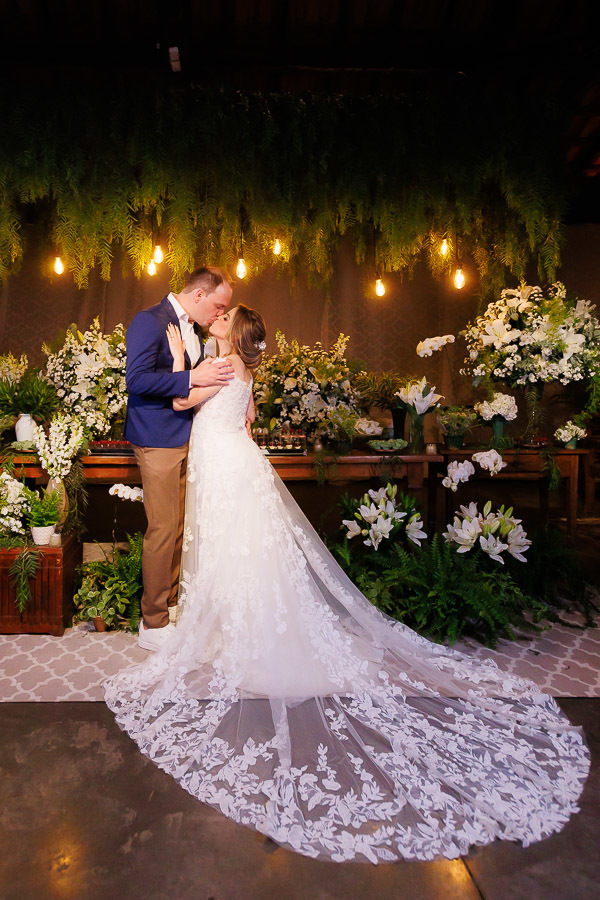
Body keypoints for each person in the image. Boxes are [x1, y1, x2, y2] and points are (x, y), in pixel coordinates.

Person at [106, 304, 589, 864]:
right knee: (249, 550)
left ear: (231, 332)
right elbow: (248, 421)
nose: (214, 316)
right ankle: (244, 621)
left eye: (223, 316)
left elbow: (178, 400)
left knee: (229, 547)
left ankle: (234, 630)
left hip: (222, 466)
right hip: (237, 460)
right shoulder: (244, 368)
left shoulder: (216, 363)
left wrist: (187, 357)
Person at [123, 266, 234, 652]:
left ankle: (170, 607)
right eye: (219, 306)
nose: (220, 315)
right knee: (163, 529)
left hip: (188, 438)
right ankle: (152, 623)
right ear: (200, 295)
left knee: (180, 529)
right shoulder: (149, 320)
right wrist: (191, 378)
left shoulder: (195, 330)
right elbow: (135, 381)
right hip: (156, 441)